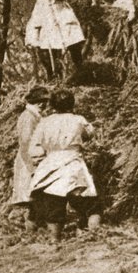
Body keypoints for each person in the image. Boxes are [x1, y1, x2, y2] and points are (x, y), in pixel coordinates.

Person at [27, 88, 100, 241]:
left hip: (51, 163)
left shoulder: (45, 122)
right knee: (89, 203)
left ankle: (54, 240)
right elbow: (90, 134)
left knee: (54, 204)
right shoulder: (78, 119)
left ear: (53, 105)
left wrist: (41, 159)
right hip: (73, 162)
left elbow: (35, 147)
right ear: (72, 104)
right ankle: (95, 236)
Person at [13, 0, 86, 79]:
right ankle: (52, 76)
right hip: (43, 13)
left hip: (60, 10)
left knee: (73, 39)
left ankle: (80, 71)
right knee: (44, 45)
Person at [11, 86, 49, 230]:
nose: (44, 104)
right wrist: (33, 166)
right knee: (34, 198)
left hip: (36, 159)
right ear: (37, 102)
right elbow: (26, 143)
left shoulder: (34, 116)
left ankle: (35, 229)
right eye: (42, 101)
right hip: (30, 161)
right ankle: (31, 230)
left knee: (38, 198)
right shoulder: (28, 117)